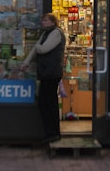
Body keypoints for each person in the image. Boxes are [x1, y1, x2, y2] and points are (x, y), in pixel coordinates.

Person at [21, 13, 66, 144]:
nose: (43, 22)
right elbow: (35, 50)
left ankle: (53, 133)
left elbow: (42, 49)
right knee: (45, 102)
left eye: (46, 20)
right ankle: (50, 132)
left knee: (49, 103)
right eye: (43, 20)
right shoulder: (46, 33)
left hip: (52, 73)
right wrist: (26, 62)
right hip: (46, 72)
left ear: (53, 22)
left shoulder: (56, 33)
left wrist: (37, 47)